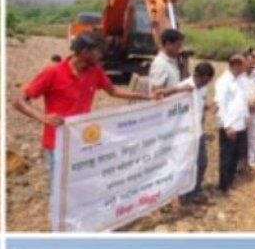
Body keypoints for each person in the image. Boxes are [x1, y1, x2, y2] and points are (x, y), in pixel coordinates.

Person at [12, 33, 155, 186]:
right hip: (57, 144)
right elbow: (18, 101)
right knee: (60, 187)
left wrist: (148, 97)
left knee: (80, 185)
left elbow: (114, 91)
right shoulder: (53, 72)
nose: (101, 55)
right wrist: (43, 117)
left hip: (82, 141)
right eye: (98, 51)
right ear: (85, 52)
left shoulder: (95, 72)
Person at [156, 61, 216, 207]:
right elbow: (165, 102)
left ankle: (193, 193)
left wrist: (208, 106)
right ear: (197, 75)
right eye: (205, 80)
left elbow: (200, 105)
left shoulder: (203, 88)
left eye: (208, 81)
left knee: (201, 164)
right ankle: (176, 196)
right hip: (183, 136)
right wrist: (176, 91)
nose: (206, 84)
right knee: (182, 166)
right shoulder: (183, 88)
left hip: (198, 133)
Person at [214, 54, 250, 193]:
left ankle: (231, 180)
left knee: (236, 154)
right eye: (243, 64)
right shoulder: (223, 81)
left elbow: (243, 100)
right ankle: (224, 186)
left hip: (240, 123)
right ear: (236, 65)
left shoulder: (242, 80)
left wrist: (246, 115)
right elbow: (220, 105)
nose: (246, 67)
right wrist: (227, 126)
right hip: (229, 125)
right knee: (227, 156)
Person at [148, 28, 183, 94]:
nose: (180, 49)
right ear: (168, 44)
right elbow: (156, 93)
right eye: (178, 45)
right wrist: (181, 89)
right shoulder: (160, 64)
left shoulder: (171, 61)